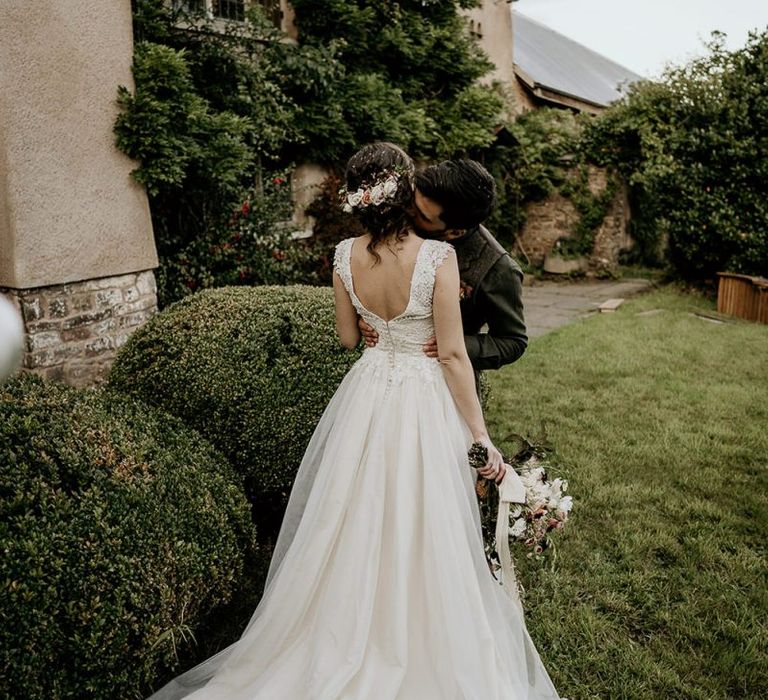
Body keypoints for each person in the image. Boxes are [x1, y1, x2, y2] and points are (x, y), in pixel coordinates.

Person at [146, 142, 562, 699]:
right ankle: (415, 622)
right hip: (425, 395)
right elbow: (453, 357)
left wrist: (384, 333)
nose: (420, 206)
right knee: (424, 507)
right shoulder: (439, 259)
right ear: (404, 191)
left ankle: (342, 619)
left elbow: (348, 337)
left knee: (352, 505)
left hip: (366, 392)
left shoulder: (344, 254)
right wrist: (481, 437)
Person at [359, 159, 527, 386]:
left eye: (422, 215)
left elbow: (512, 341)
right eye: (412, 202)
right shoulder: (395, 224)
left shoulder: (497, 269)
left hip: (444, 386)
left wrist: (455, 344)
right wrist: (367, 317)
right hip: (381, 376)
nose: (408, 213)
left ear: (455, 231)